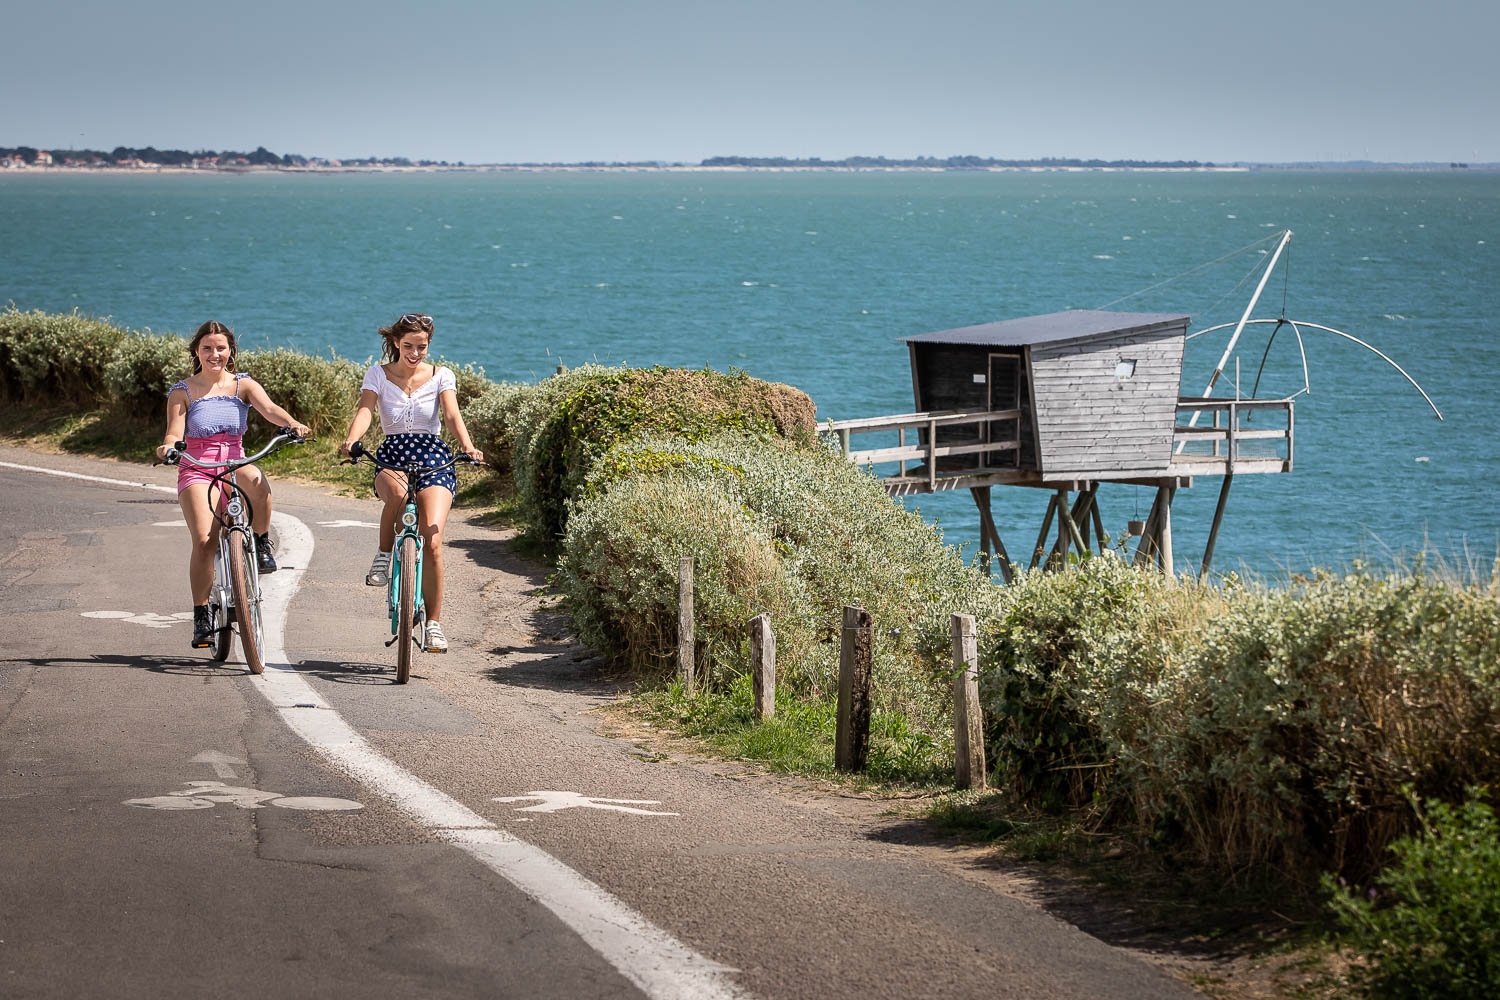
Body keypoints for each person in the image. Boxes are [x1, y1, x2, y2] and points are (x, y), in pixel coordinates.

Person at [156, 321, 310, 648]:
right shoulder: (182, 391)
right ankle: (201, 615)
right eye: (207, 348)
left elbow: (270, 410)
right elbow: (174, 431)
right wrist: (168, 447)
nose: (215, 354)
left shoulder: (243, 385)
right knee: (204, 540)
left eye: (221, 348)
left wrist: (292, 423)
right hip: (197, 467)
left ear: (231, 351)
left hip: (235, 462)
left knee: (259, 483)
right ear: (197, 351)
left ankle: (262, 541)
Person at [338, 313, 483, 653]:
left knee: (432, 540)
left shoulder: (441, 375)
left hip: (433, 454)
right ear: (395, 344)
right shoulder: (378, 373)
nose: (415, 353)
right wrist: (351, 440)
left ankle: (433, 625)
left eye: (422, 347)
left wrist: (467, 446)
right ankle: (383, 555)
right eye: (408, 346)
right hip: (392, 453)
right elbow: (366, 411)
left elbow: (450, 414)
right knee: (400, 496)